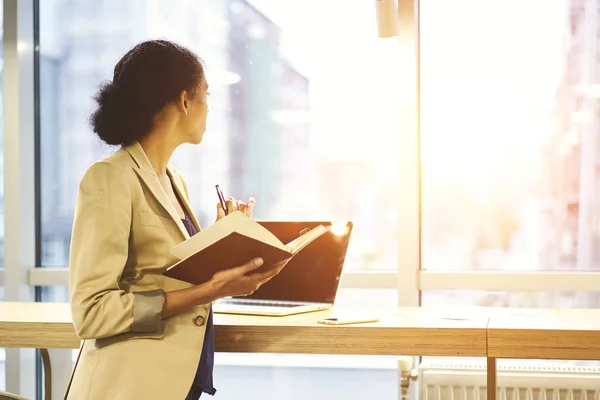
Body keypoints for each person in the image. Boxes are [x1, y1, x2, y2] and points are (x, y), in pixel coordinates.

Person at [66, 40, 288, 400]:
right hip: (127, 386)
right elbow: (92, 313)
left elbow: (167, 274)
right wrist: (208, 292)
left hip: (173, 382)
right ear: (185, 101)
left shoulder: (173, 179)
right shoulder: (109, 177)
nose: (209, 109)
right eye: (207, 95)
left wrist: (224, 242)